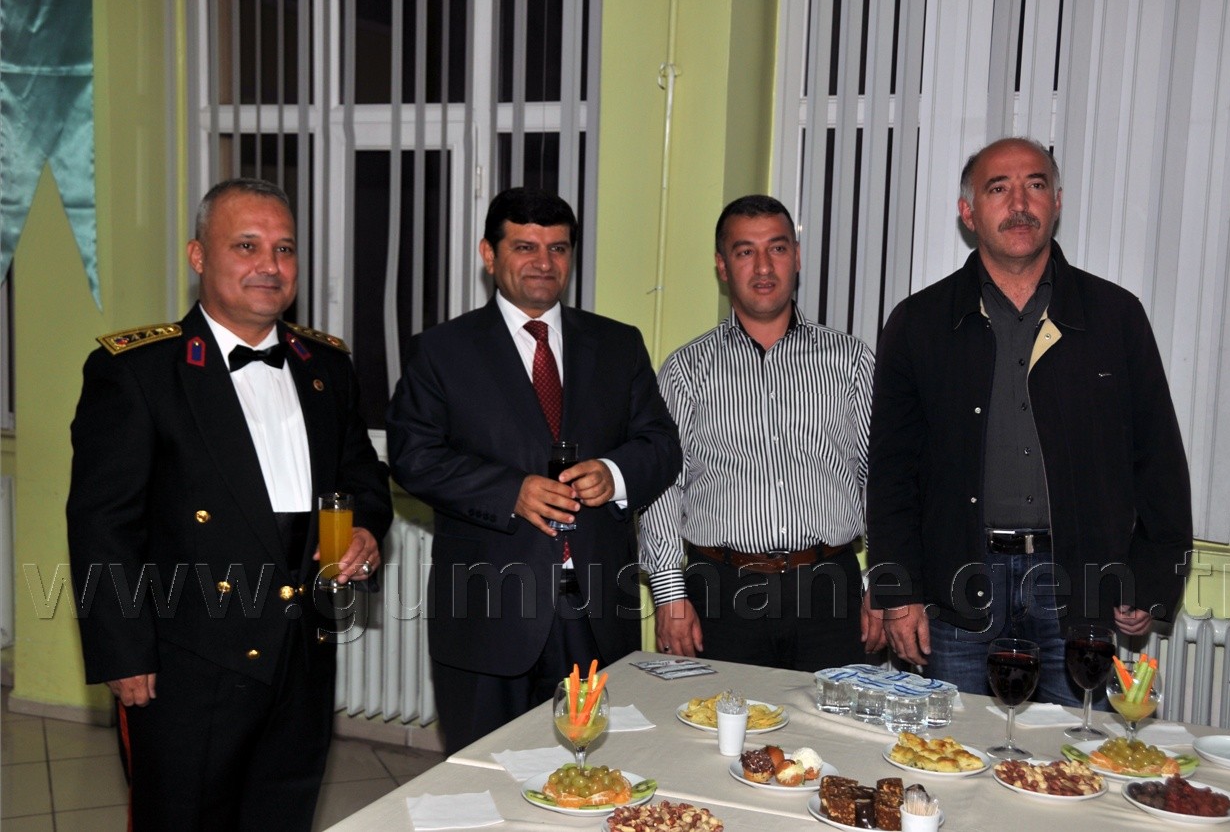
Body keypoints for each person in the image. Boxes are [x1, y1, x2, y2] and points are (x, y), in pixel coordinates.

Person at [66, 178, 392, 831]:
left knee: (283, 813)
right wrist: (123, 652)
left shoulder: (326, 366)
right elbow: (103, 524)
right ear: (198, 256)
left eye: (284, 249)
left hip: (302, 652)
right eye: (247, 246)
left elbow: (361, 474)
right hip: (189, 661)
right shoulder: (138, 370)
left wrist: (364, 527)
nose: (270, 265)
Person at [866, 137, 1193, 703]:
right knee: (956, 748)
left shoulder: (1115, 316)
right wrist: (897, 592)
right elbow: (892, 473)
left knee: (1072, 751)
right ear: (968, 212)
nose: (1019, 203)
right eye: (999, 189)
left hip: (1079, 587)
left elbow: (1158, 458)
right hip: (957, 587)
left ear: (1056, 202)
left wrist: (1151, 579)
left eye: (1035, 185)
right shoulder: (919, 323)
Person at [386, 187, 681, 754]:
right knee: (488, 768)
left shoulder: (618, 345)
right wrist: (509, 492)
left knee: (595, 773)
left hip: (595, 608)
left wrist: (614, 473)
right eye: (525, 247)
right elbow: (411, 456)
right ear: (489, 254)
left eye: (558, 248)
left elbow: (661, 445)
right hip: (487, 610)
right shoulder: (442, 350)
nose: (544, 263)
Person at [638, 195, 883, 671]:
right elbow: (663, 488)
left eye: (777, 248)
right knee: (715, 720)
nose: (764, 266)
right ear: (722, 265)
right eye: (745, 251)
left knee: (835, 720)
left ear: (797, 256)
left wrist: (884, 582)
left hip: (830, 593)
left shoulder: (851, 361)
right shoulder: (686, 369)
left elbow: (881, 477)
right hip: (721, 595)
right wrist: (668, 593)